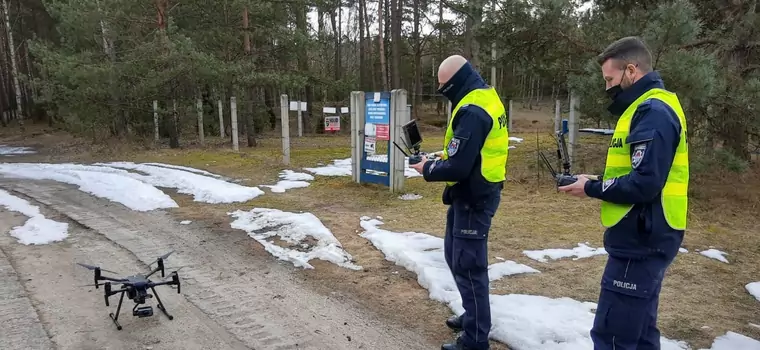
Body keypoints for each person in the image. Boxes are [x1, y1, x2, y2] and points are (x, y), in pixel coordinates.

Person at [557, 36, 689, 349]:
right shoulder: (650, 107)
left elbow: (645, 183)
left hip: (641, 237)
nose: (607, 88)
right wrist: (598, 179)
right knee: (641, 334)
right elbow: (641, 172)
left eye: (610, 79)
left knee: (613, 337)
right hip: (648, 232)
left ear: (631, 71)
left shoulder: (652, 110)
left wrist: (590, 187)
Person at [409, 54, 509, 350]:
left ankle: (475, 339)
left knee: (469, 266)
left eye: (444, 88)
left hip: (475, 197)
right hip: (469, 194)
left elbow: (458, 168)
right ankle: (472, 314)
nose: (443, 94)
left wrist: (427, 168)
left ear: (456, 81)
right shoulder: (482, 97)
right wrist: (439, 157)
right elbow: (465, 153)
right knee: (454, 255)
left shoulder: (473, 109)